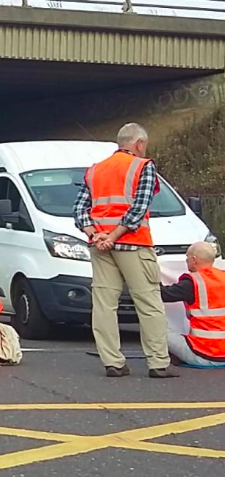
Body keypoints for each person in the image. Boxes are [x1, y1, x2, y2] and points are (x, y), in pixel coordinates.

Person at [74, 122, 178, 378]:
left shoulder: (95, 170)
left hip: (100, 247)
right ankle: (158, 363)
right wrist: (114, 235)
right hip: (133, 244)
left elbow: (79, 210)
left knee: (104, 305)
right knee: (148, 302)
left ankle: (113, 362)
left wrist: (96, 234)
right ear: (139, 143)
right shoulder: (143, 166)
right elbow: (138, 208)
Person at [159, 242, 225, 368]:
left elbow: (163, 294)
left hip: (204, 354)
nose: (186, 261)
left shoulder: (193, 282)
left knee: (157, 330)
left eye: (187, 257)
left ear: (194, 259)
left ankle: (161, 360)